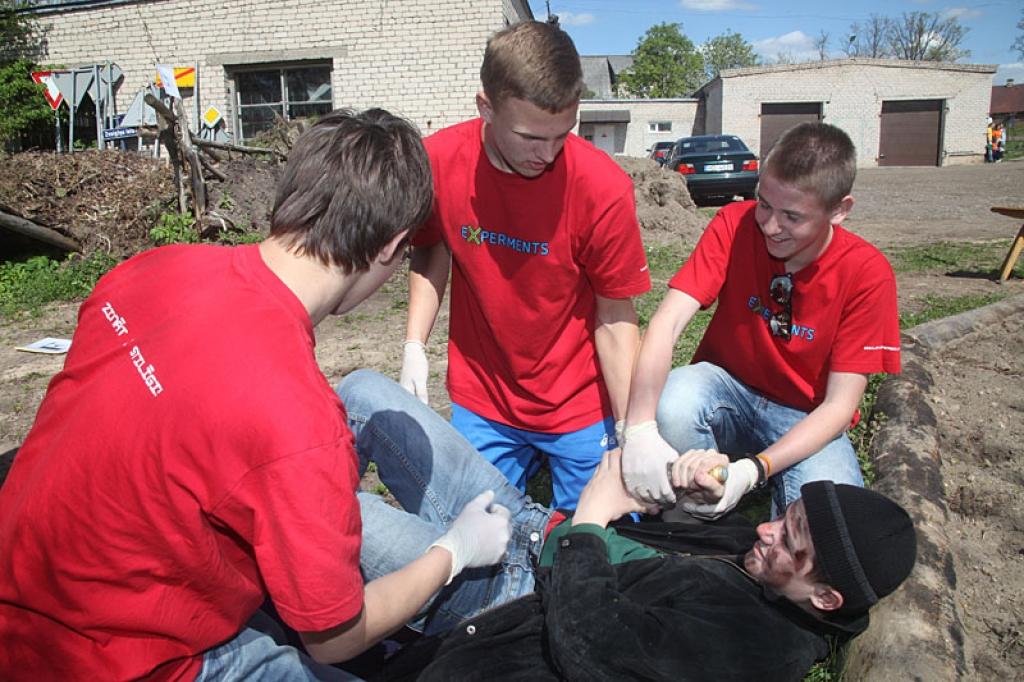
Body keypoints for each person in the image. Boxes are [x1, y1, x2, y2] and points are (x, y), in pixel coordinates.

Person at [0, 109, 513, 680]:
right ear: (392, 247)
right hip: (124, 659)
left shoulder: (146, 268)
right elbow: (337, 636)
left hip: (20, 599)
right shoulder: (298, 420)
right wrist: (454, 552)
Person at [337, 370, 917, 682]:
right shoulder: (764, 566)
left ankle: (310, 590)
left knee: (336, 518)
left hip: (498, 590)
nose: (765, 532)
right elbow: (667, 547)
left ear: (825, 598)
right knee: (365, 389)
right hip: (529, 524)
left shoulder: (761, 646)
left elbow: (598, 654)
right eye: (781, 519)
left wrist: (590, 517)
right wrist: (684, 500)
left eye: (791, 543)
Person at [399, 20, 651, 510]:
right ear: (486, 108)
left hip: (578, 400)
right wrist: (414, 344)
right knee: (461, 531)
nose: (548, 153)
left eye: (563, 134)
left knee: (600, 544)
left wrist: (631, 429)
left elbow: (616, 317)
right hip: (484, 397)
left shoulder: (601, 188)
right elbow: (431, 248)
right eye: (531, 137)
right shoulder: (439, 162)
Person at [621, 122, 901, 519]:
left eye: (792, 216)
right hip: (728, 391)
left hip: (807, 415)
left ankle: (736, 481)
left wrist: (754, 470)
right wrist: (639, 430)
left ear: (840, 210)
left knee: (827, 520)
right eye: (764, 204)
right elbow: (665, 324)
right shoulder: (734, 224)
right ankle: (696, 503)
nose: (770, 225)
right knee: (673, 400)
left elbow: (839, 407)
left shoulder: (868, 274)